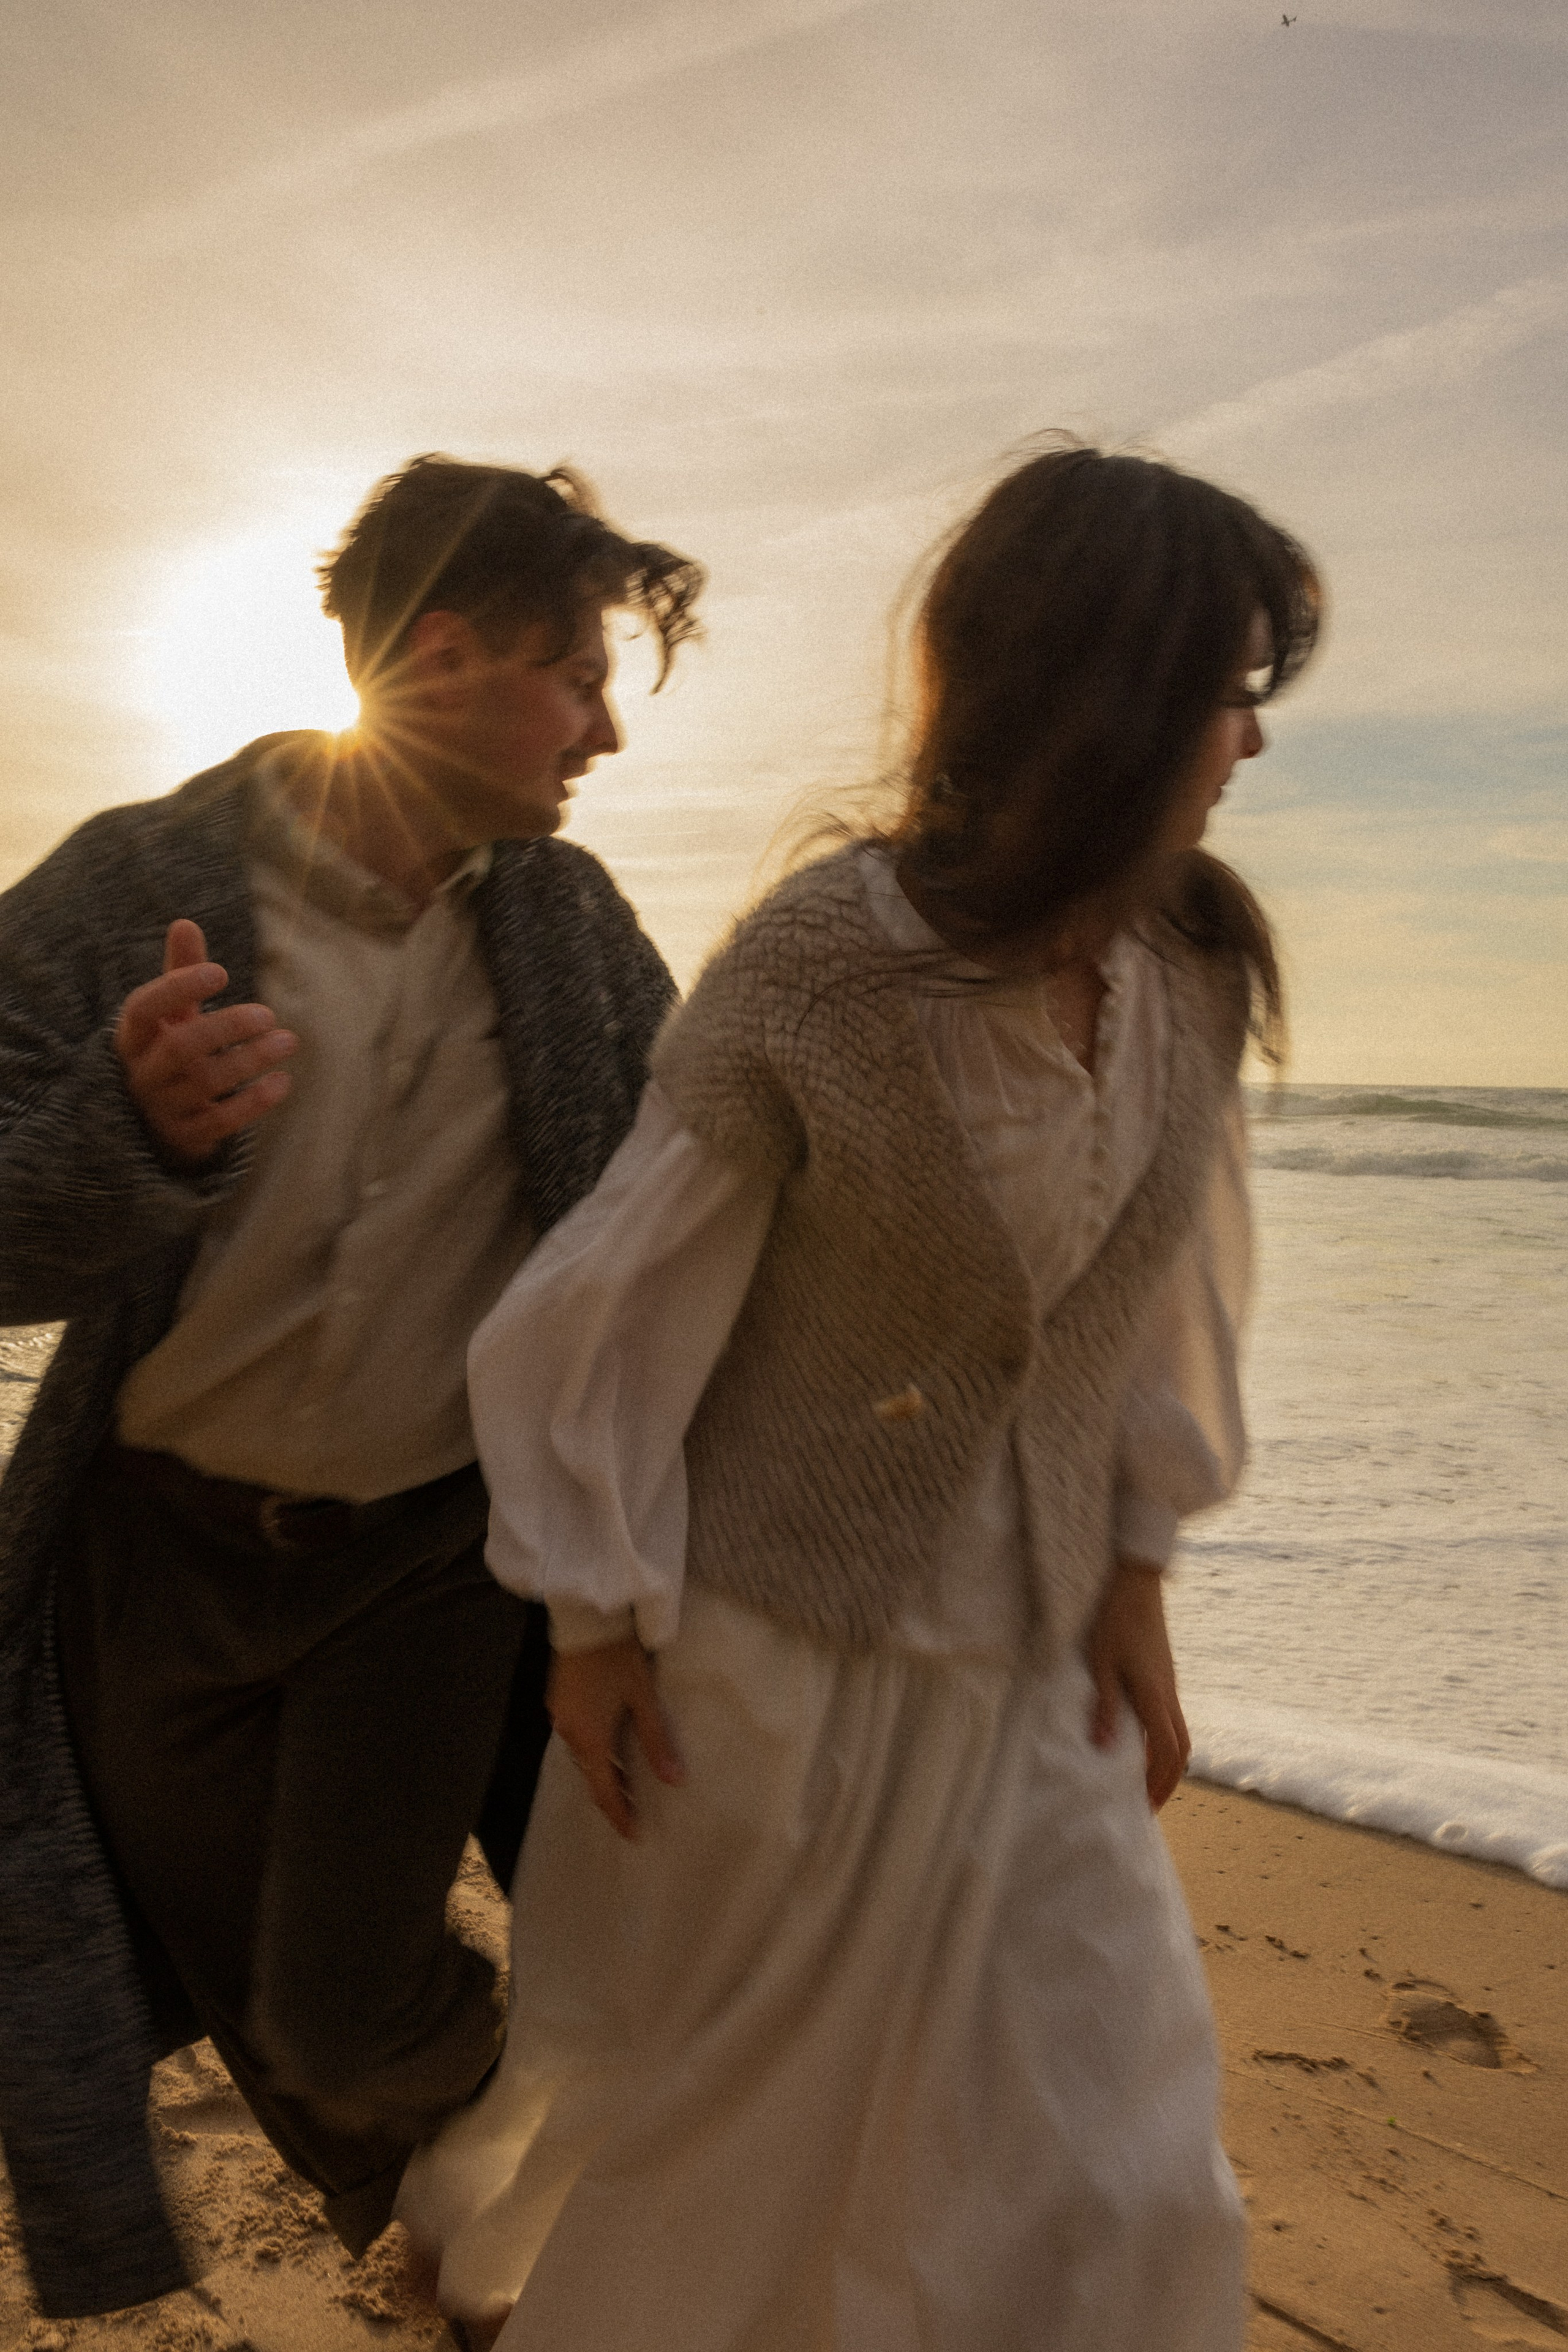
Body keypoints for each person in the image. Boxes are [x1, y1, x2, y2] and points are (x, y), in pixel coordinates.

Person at [396, 440, 1322, 2351]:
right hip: (781, 1663)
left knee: (1121, 2159)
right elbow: (609, 1306)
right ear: (1106, 688)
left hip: (1041, 1669)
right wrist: (591, 1618)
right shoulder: (827, 964)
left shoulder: (1199, 964)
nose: (1245, 745)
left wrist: (1138, 1568)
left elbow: (1158, 1310)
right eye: (1228, 693)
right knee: (750, 2171)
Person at [0, 455, 703, 2319]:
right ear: (449, 657)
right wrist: (123, 1133)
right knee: (260, 2026)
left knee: (338, 1999)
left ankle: (562, 2225)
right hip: (151, 1571)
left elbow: (688, 1230)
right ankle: (506, 2265)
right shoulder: (138, 884)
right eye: (581, 679)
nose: (606, 735)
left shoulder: (569, 931)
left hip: (424, 1559)